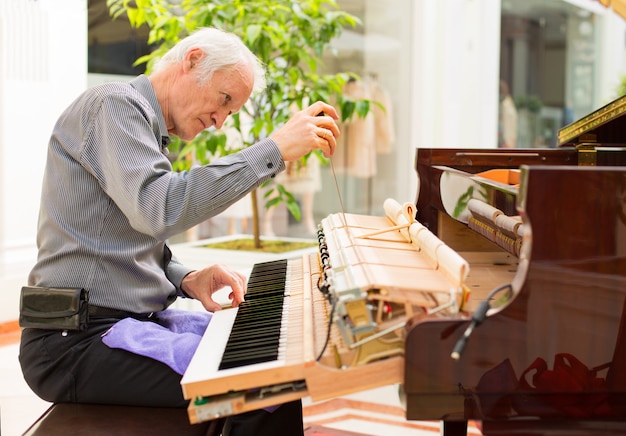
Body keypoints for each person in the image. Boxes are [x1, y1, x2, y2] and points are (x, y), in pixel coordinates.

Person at [18, 27, 340, 435]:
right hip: (72, 343)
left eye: (231, 112)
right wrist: (272, 149)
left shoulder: (141, 124)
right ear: (193, 61)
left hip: (112, 326)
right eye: (224, 100)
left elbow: (120, 240)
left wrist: (185, 277)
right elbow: (161, 208)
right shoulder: (113, 105)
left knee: (271, 366)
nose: (221, 122)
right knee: (263, 387)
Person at [498, 79, 518, 149]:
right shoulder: (507, 104)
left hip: (506, 141)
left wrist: (508, 141)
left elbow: (508, 124)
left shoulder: (506, 105)